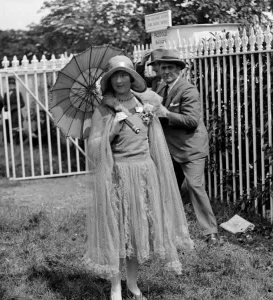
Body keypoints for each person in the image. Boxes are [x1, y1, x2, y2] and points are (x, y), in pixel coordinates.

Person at [82, 55, 194, 300]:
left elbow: (154, 140)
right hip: (117, 175)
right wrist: (111, 131)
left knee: (136, 230)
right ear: (109, 81)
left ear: (133, 77)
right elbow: (92, 148)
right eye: (115, 76)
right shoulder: (102, 109)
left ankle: (132, 284)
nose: (120, 80)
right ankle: (115, 288)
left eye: (125, 75)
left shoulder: (146, 103)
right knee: (117, 231)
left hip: (144, 173)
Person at [155, 49, 218, 244]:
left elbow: (191, 120)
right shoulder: (160, 89)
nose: (166, 71)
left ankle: (210, 233)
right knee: (167, 188)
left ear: (179, 70)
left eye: (170, 68)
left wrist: (165, 114)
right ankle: (170, 230)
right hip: (171, 149)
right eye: (163, 67)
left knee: (194, 185)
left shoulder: (188, 90)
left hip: (191, 148)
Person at [3, 76, 25, 143]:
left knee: (17, 128)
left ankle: (18, 141)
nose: (11, 85)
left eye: (12, 84)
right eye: (9, 84)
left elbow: (22, 104)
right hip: (7, 114)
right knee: (8, 127)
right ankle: (8, 141)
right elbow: (4, 103)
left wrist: (13, 107)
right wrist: (5, 107)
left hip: (16, 114)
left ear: (15, 84)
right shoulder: (6, 94)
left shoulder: (18, 93)